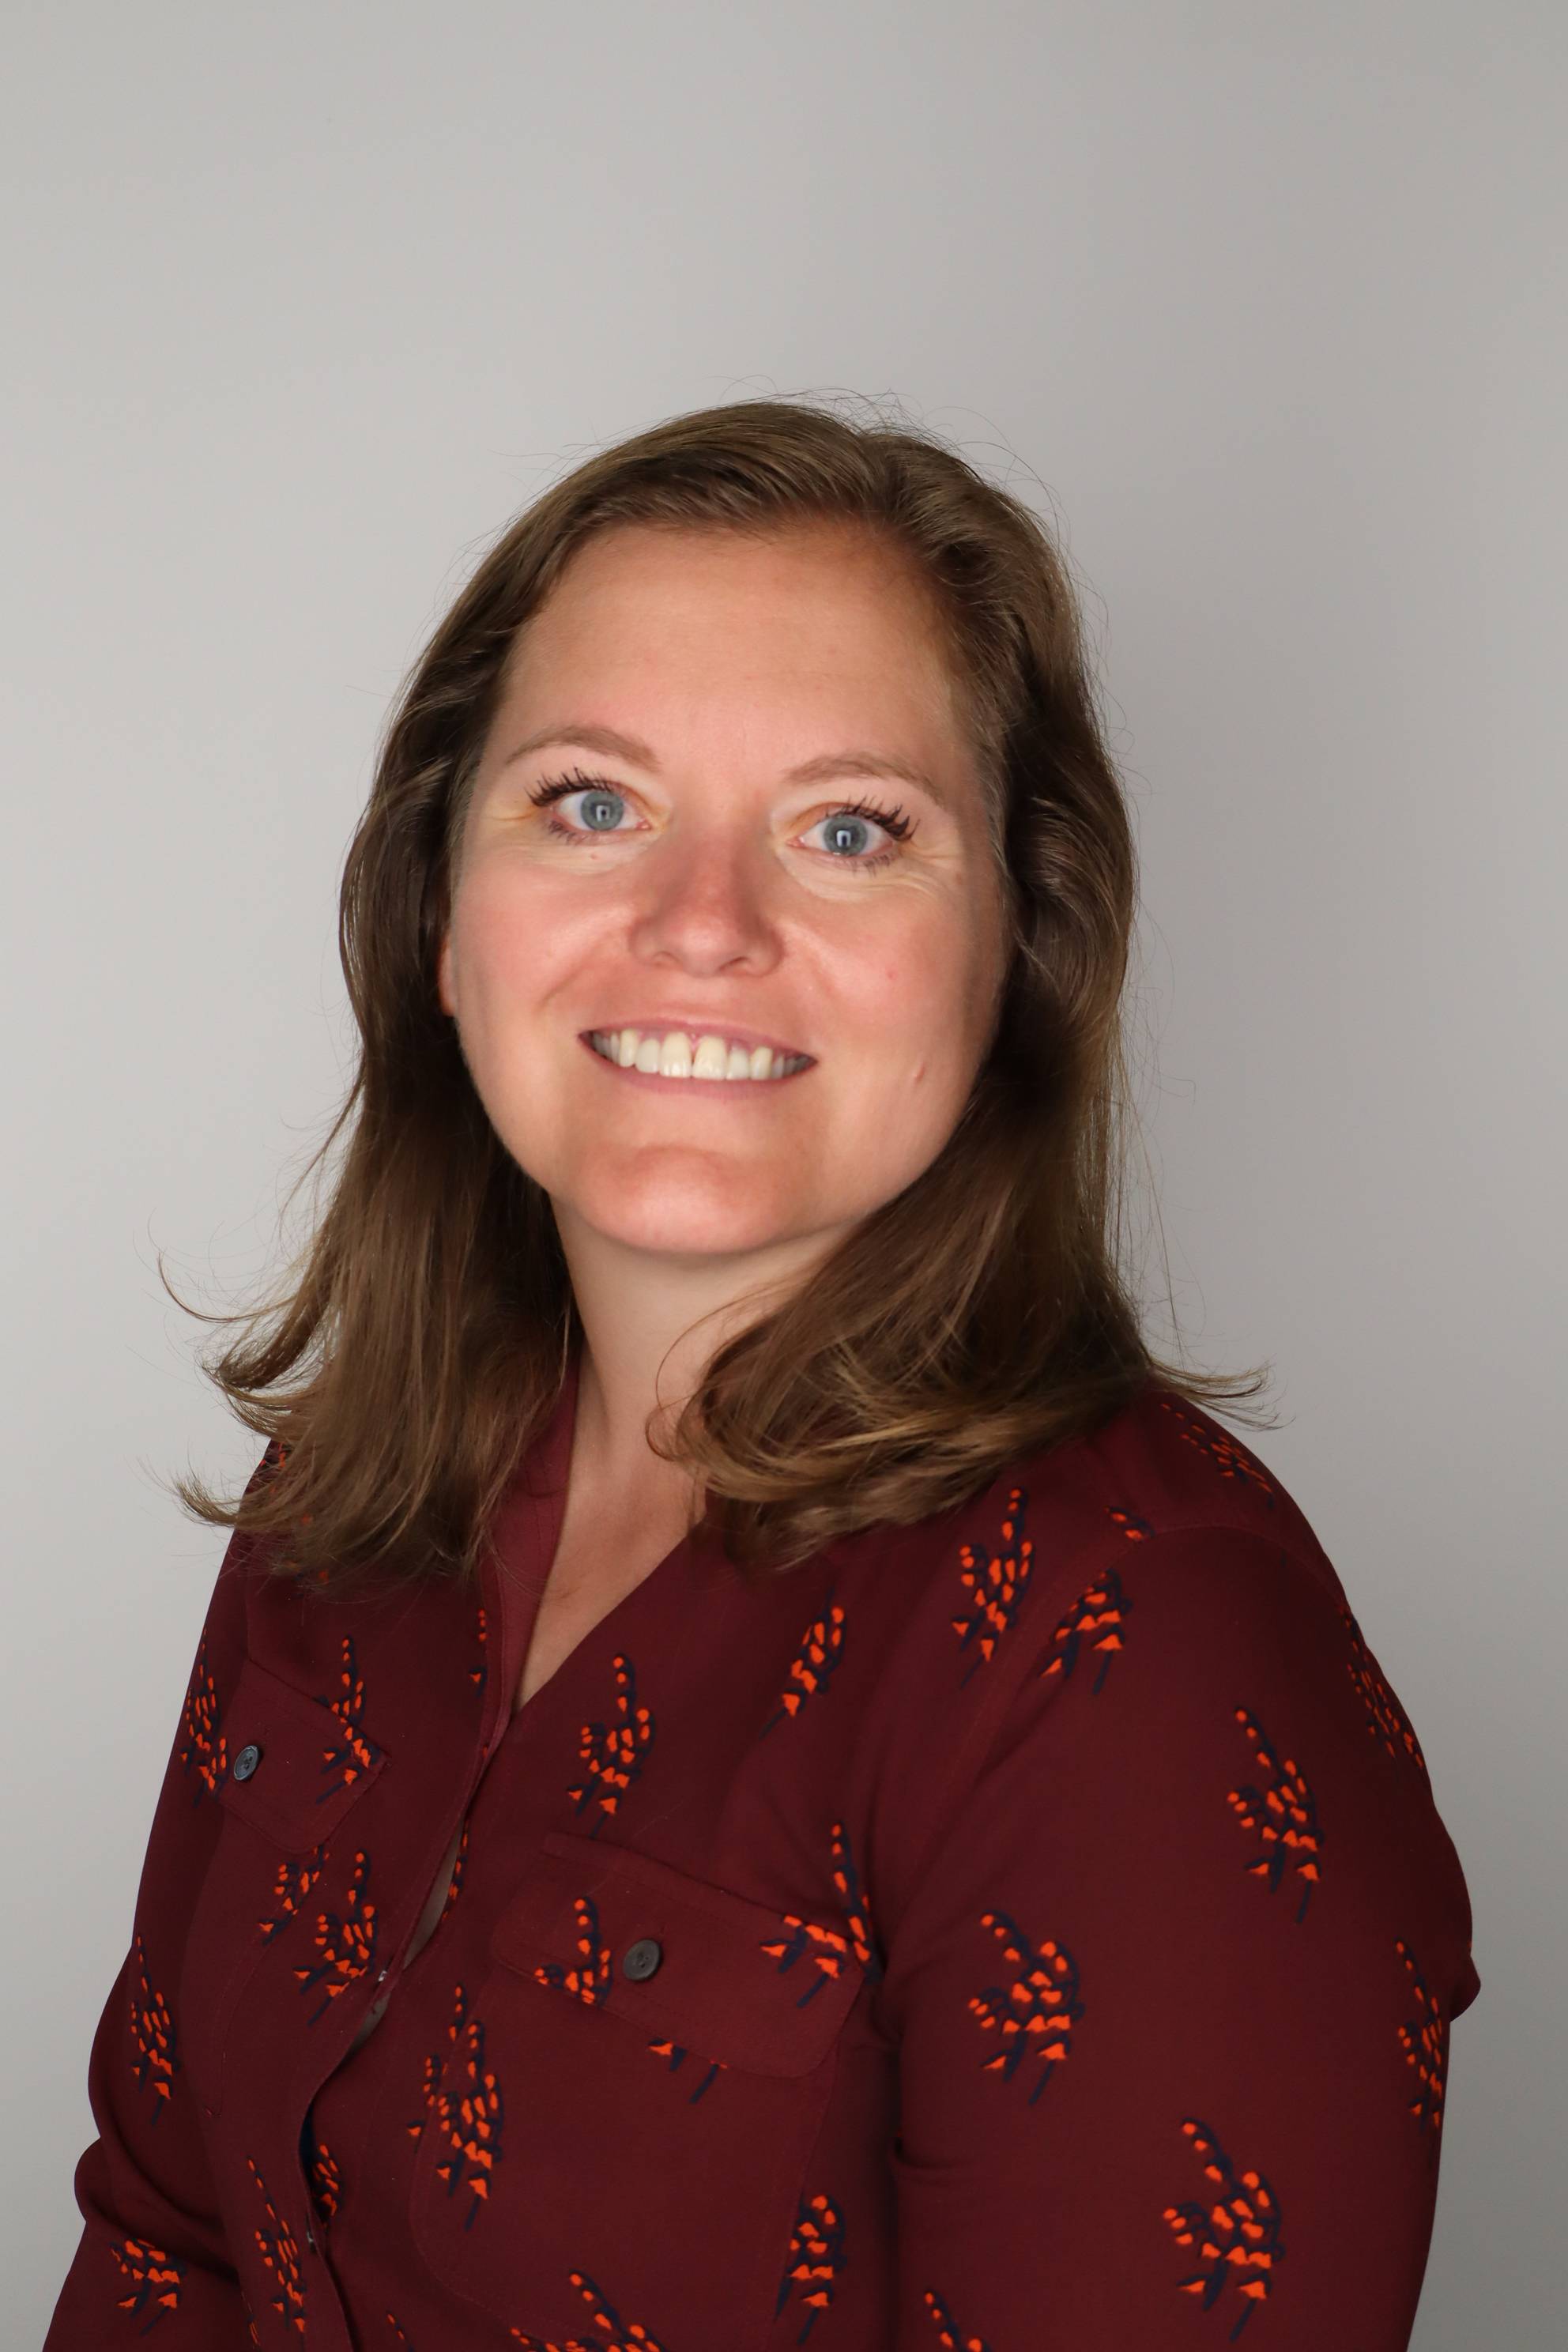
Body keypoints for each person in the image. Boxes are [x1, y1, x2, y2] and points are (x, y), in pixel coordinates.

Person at [45, 395, 1479, 2351]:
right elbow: (167, 2233)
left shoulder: (1137, 1644)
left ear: (1018, 953)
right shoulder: (344, 1514)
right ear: (440, 921)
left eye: (849, 830)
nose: (699, 926)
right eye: (589, 802)